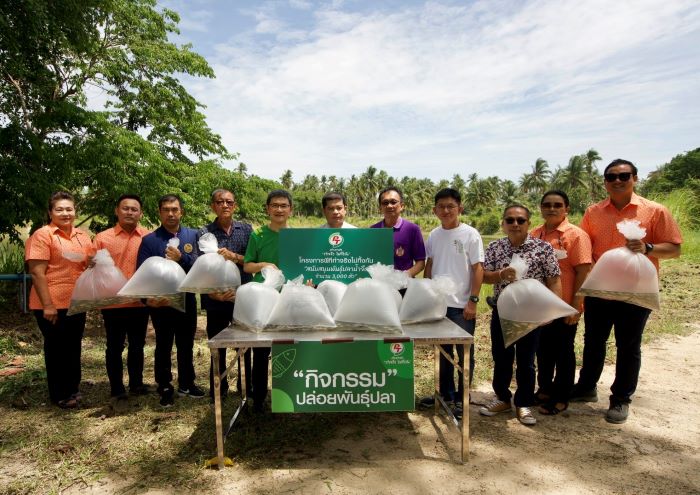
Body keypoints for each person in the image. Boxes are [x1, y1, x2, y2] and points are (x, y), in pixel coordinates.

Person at [571, 159, 682, 424]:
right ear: (605, 182)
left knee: (628, 345)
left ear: (635, 178)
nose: (617, 181)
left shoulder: (654, 211)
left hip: (636, 291)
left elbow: (675, 249)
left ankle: (621, 398)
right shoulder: (593, 212)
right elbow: (585, 248)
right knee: (593, 341)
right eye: (611, 177)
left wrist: (648, 248)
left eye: (624, 176)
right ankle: (586, 387)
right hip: (600, 288)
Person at [480, 204, 561, 426]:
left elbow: (554, 279)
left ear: (528, 223)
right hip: (503, 311)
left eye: (520, 220)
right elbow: (483, 276)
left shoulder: (542, 248)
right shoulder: (495, 247)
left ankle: (523, 402)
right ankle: (502, 398)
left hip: (530, 312)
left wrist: (552, 310)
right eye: (510, 220)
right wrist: (501, 274)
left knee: (526, 361)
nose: (515, 224)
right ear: (503, 224)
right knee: (501, 357)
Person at [25, 191, 95, 409]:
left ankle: (73, 388)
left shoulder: (82, 236)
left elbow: (88, 264)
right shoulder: (42, 235)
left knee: (73, 346)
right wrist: (48, 305)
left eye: (69, 209)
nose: (65, 213)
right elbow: (37, 273)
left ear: (75, 211)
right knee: (57, 348)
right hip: (51, 304)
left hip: (77, 301)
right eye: (60, 209)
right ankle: (59, 394)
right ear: (50, 213)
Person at [419, 188, 483, 419]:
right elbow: (430, 264)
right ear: (434, 210)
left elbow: (478, 268)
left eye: (451, 206)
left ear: (460, 208)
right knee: (442, 353)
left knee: (463, 354)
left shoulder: (470, 234)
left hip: (461, 307)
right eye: (441, 207)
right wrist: (426, 294)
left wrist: (473, 301)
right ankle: (445, 395)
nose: (446, 211)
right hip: (439, 305)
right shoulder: (434, 235)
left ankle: (461, 399)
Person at [137, 194, 204, 407]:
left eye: (174, 209)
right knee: (163, 345)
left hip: (186, 300)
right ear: (160, 213)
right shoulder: (150, 240)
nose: (171, 213)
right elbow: (141, 273)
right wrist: (147, 299)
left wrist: (182, 258)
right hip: (161, 304)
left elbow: (201, 266)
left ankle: (187, 383)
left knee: (186, 344)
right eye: (166, 209)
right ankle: (164, 385)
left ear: (181, 212)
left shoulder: (193, 235)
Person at [530, 190, 592, 415]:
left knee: (563, 352)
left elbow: (584, 271)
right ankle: (545, 389)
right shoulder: (534, 234)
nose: (552, 209)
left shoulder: (576, 235)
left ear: (567, 209)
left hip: (564, 305)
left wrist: (576, 306)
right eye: (547, 205)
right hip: (539, 307)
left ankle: (561, 396)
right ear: (541, 208)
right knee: (542, 350)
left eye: (557, 205)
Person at [94, 194, 152, 411]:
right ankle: (117, 389)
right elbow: (93, 268)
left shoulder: (147, 237)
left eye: (134, 209)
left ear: (141, 214)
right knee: (114, 346)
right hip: (113, 303)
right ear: (117, 211)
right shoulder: (102, 238)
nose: (129, 212)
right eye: (125, 208)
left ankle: (136, 384)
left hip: (139, 302)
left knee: (137, 345)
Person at [196, 188, 253, 402]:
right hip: (216, 300)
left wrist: (234, 256)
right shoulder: (204, 233)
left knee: (245, 345)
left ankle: (245, 386)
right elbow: (200, 267)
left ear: (235, 206)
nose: (225, 205)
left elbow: (252, 260)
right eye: (220, 202)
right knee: (217, 346)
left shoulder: (246, 229)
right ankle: (218, 388)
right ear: (213, 206)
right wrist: (213, 294)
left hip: (242, 298)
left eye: (229, 202)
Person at [243, 189, 293, 413]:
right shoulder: (258, 235)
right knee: (261, 350)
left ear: (290, 210)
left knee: (289, 347)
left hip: (289, 298)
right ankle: (259, 397)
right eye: (275, 205)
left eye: (284, 205)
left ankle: (291, 394)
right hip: (263, 300)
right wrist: (262, 265)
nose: (279, 209)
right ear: (268, 209)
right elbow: (247, 265)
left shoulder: (297, 238)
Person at [370, 186, 426, 278]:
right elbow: (368, 259)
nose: (389, 206)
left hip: (405, 284)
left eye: (393, 202)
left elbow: (420, 263)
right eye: (385, 203)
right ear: (380, 208)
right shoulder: (373, 231)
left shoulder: (412, 229)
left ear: (402, 206)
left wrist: (403, 277)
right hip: (379, 283)